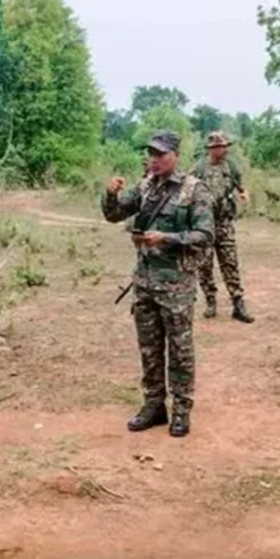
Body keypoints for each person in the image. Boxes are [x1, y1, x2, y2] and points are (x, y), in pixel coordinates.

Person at [101, 130, 214, 437]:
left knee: (180, 349)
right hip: (146, 282)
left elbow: (205, 236)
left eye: (160, 154)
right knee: (149, 348)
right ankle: (154, 405)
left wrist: (167, 238)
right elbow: (115, 215)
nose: (154, 160)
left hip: (176, 284)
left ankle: (181, 409)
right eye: (151, 154)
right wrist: (110, 193)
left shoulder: (194, 190)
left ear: (175, 156)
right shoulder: (145, 187)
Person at [192, 130, 253, 323]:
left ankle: (238, 303)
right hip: (204, 225)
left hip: (224, 223)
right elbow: (187, 190)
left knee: (230, 263)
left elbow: (239, 185)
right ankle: (210, 301)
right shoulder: (199, 168)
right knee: (205, 265)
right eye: (221, 147)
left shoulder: (231, 167)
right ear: (212, 149)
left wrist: (244, 194)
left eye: (226, 146)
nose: (224, 150)